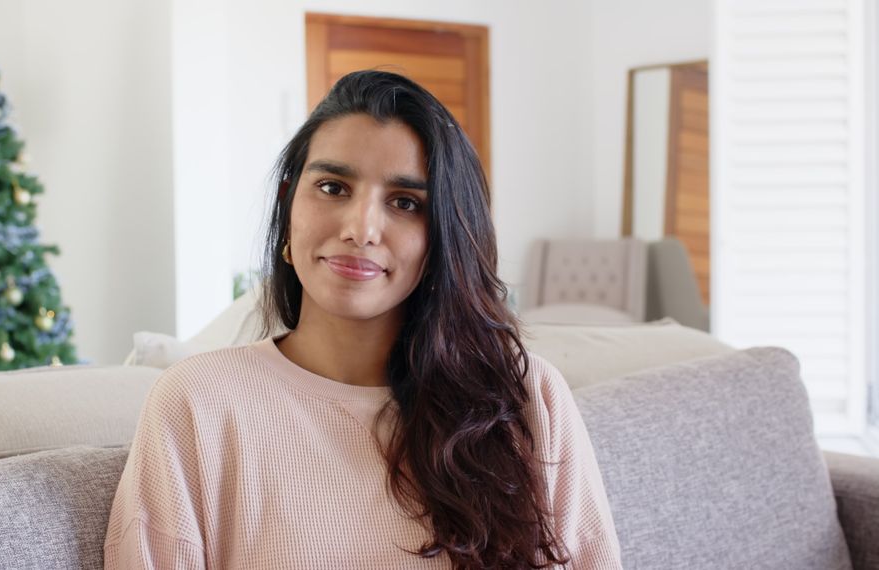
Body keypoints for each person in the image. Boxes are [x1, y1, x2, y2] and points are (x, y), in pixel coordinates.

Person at [104, 70, 622, 569]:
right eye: (333, 187)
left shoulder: (524, 398)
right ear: (288, 206)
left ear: (442, 236)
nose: (362, 228)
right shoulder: (195, 404)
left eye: (404, 202)